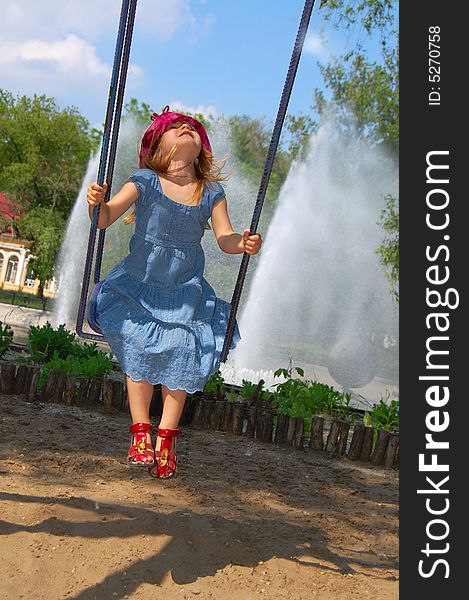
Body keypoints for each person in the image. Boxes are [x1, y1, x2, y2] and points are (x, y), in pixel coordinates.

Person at [86, 106, 262, 479]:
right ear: (158, 146)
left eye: (192, 128)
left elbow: (224, 238)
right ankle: (140, 432)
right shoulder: (145, 180)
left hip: (184, 291)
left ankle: (166, 435)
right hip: (139, 286)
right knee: (138, 345)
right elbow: (104, 219)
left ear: (201, 148)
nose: (186, 129)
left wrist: (242, 242)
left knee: (182, 353)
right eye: (176, 127)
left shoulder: (210, 191)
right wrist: (96, 203)